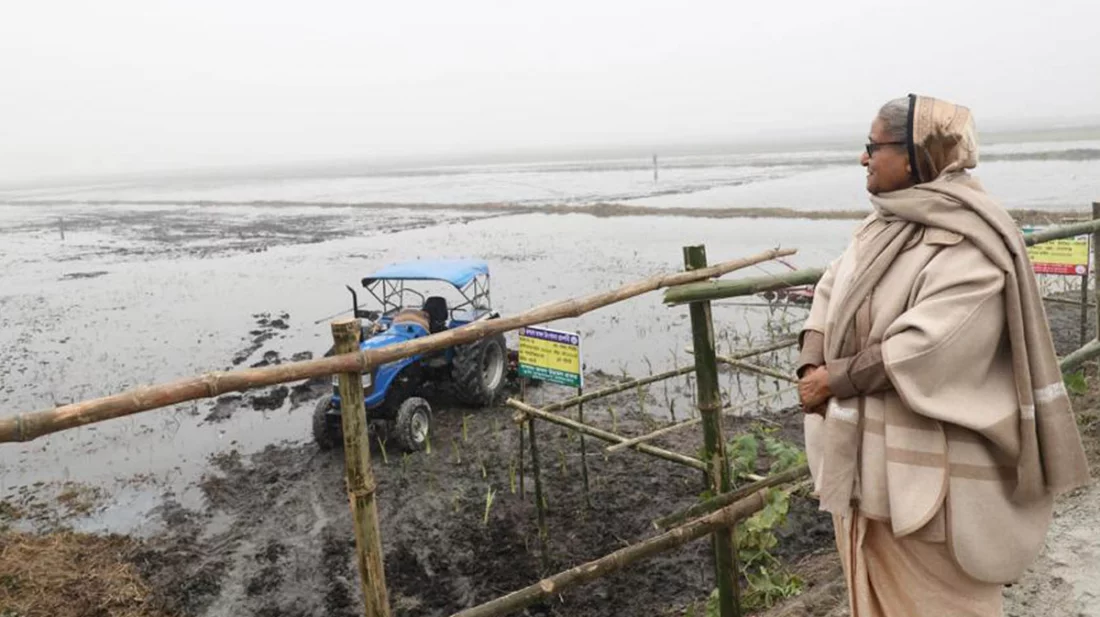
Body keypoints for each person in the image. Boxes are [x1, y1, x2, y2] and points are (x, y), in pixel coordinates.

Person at [795, 94, 1091, 617]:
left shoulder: (971, 240)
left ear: (915, 155)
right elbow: (829, 289)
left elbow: (928, 345)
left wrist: (835, 380)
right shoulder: (880, 226)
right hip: (864, 467)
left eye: (873, 146)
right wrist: (809, 362)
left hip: (927, 480)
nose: (864, 158)